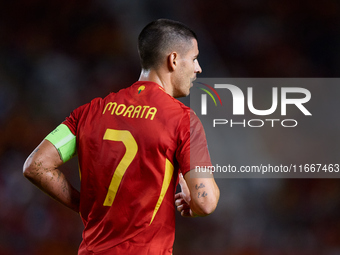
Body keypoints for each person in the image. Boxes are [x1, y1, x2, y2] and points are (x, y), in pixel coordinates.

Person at [23, 19, 220, 255]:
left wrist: (84, 206)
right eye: (194, 58)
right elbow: (205, 201)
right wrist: (194, 203)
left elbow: (36, 166)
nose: (198, 68)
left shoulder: (88, 112)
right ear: (174, 60)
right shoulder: (183, 120)